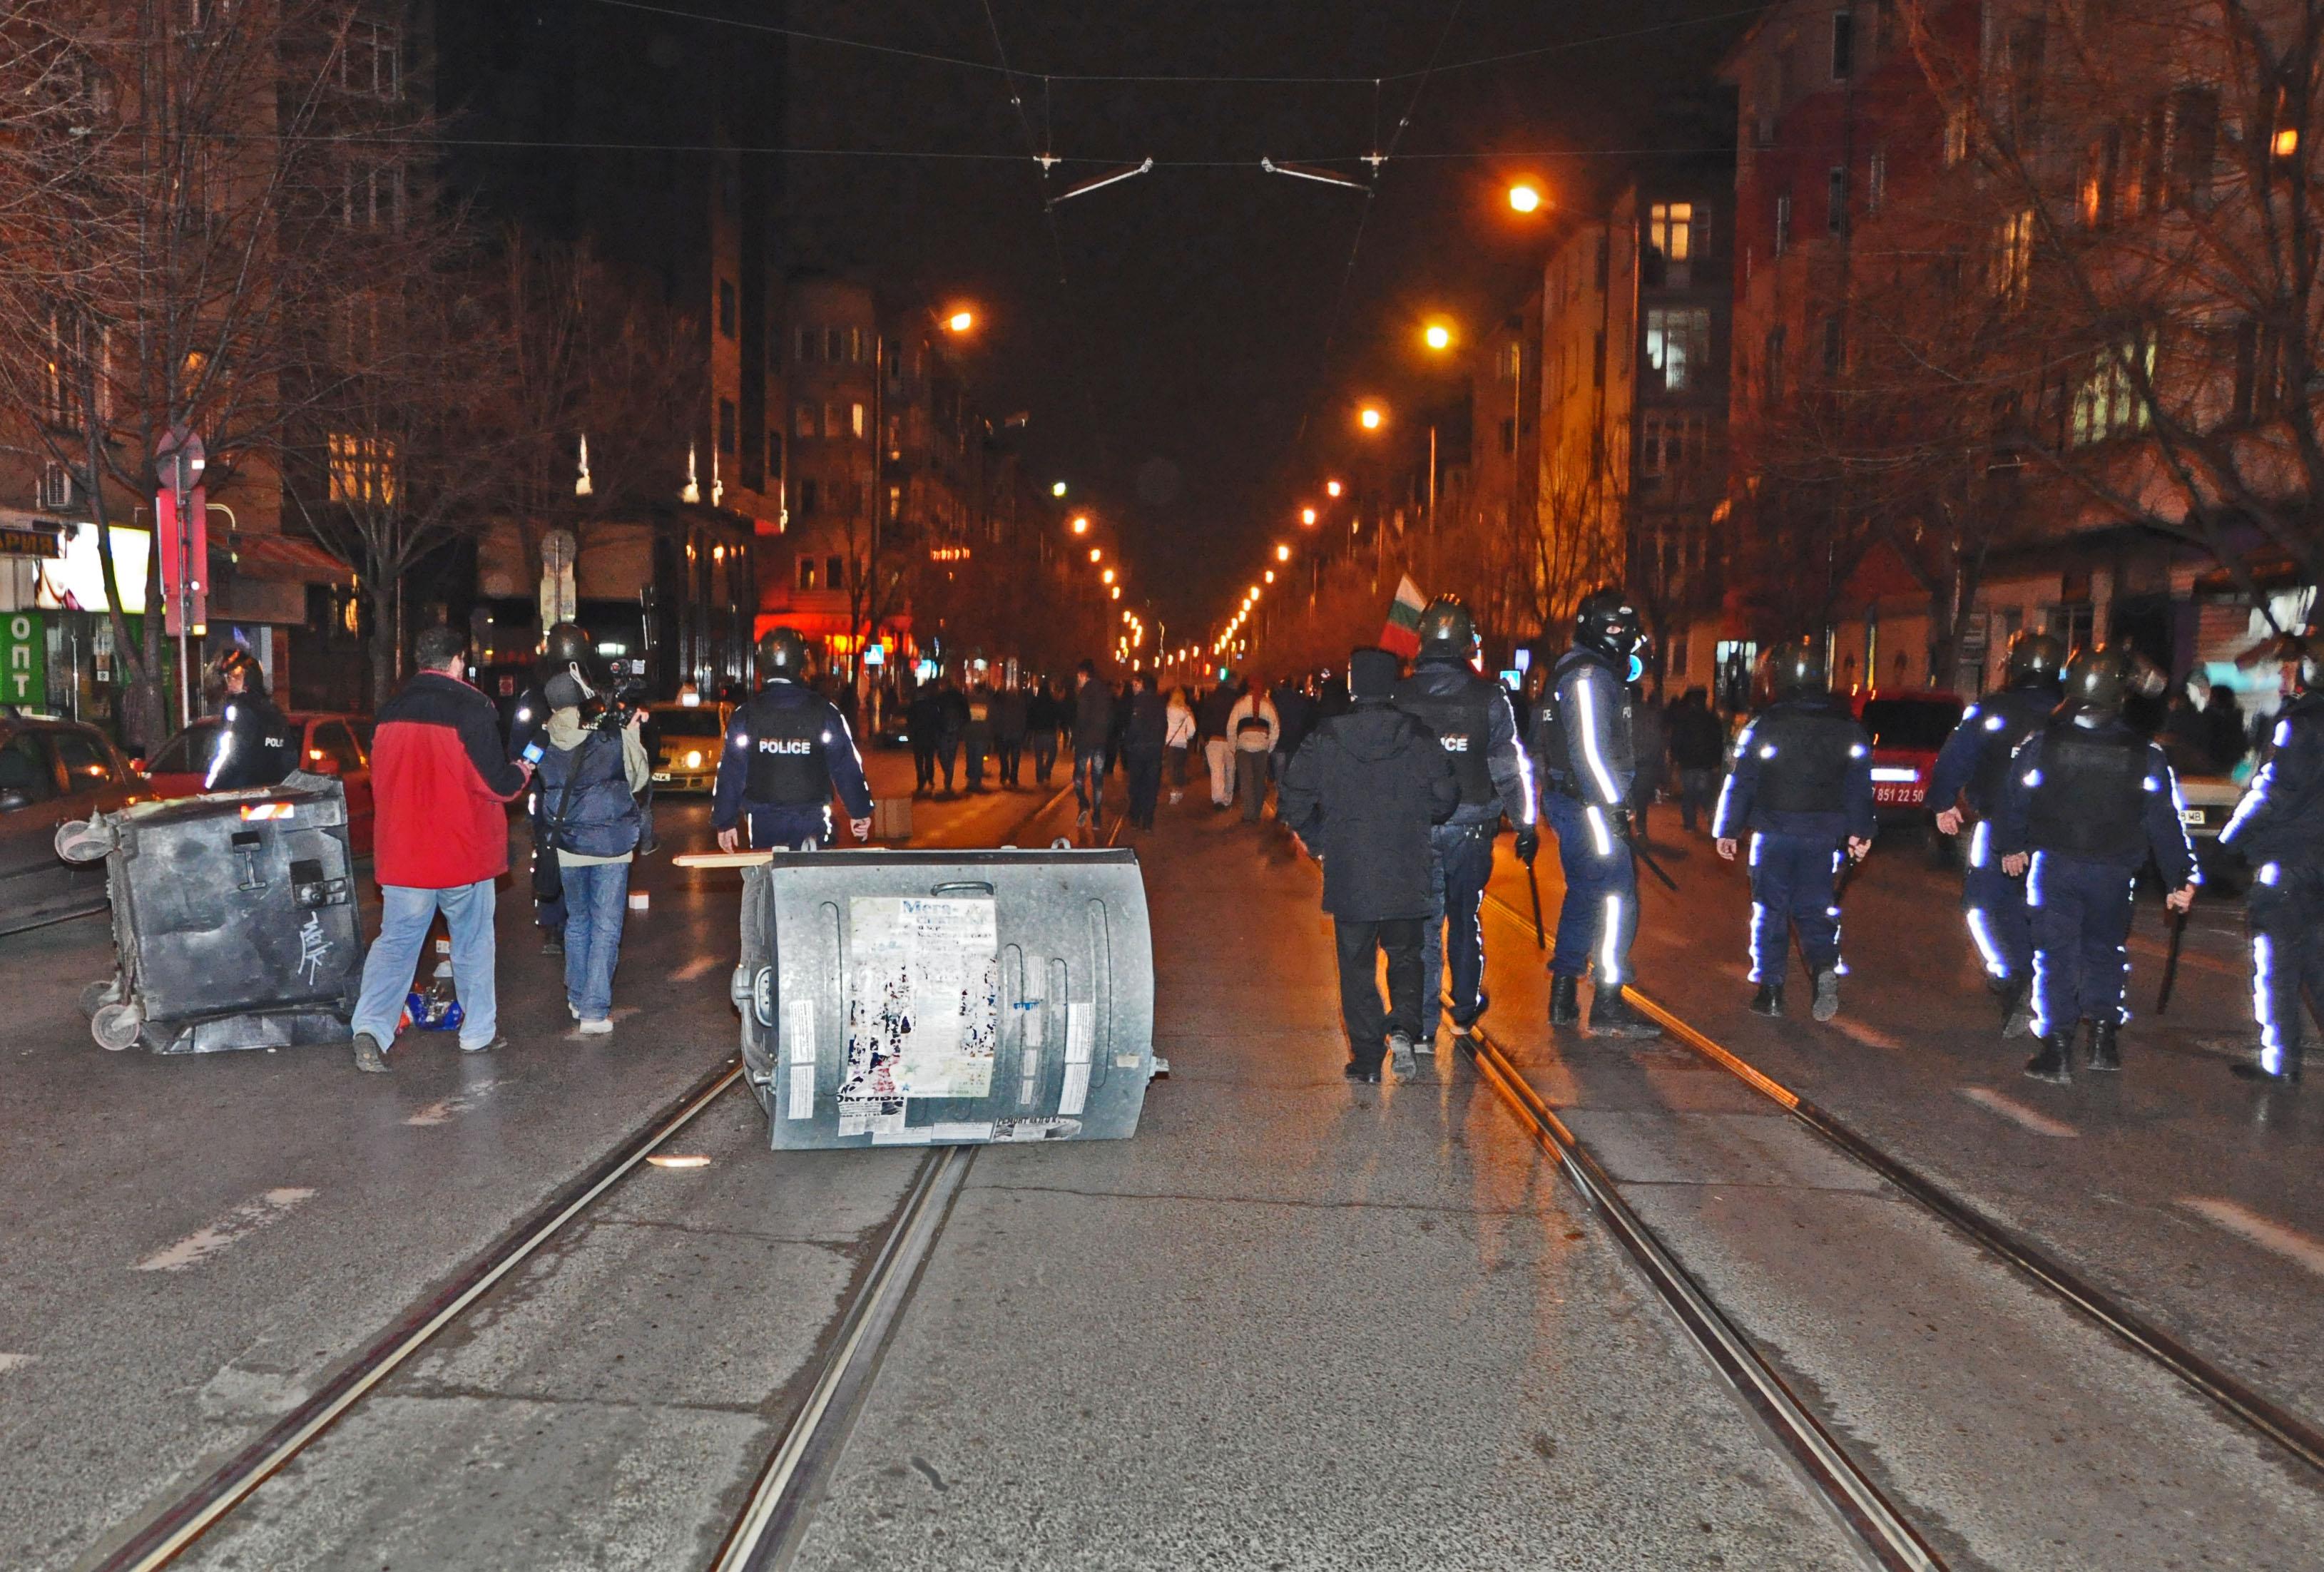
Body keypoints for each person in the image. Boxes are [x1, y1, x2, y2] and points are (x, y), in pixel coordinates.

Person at [1991, 645, 2199, 1083]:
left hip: (2057, 866)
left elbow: (2013, 800)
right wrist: (2180, 876)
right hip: (2115, 872)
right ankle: (2104, 1042)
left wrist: (2011, 846)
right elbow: (2163, 818)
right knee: (2105, 951)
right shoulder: (2146, 754)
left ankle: (2058, 1048)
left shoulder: (2043, 746)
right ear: (2120, 693)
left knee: (2056, 956)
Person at [350, 626, 534, 1073]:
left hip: (404, 855)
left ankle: (370, 1028)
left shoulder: (388, 712)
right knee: (470, 942)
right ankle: (477, 1034)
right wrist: (524, 768)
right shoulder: (472, 708)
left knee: (395, 943)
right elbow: (497, 785)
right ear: (457, 661)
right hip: (460, 854)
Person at [1279, 647, 1460, 1082]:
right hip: (1406, 865)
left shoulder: (1325, 738)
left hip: (1352, 868)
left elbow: (1293, 797)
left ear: (1353, 684)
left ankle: (1365, 1060)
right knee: (1406, 954)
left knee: (1356, 965)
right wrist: (1418, 817)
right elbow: (1445, 797)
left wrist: (1320, 840)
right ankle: (1402, 1024)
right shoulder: (1418, 736)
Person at [1392, 596, 1537, 1051]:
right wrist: (1526, 823)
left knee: (1424, 925)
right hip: (1472, 828)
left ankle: (1420, 1027)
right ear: (1465, 641)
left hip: (1415, 829)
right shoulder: (1489, 697)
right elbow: (1508, 769)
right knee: (1464, 915)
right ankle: (1463, 1008)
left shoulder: (1401, 697)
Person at [1713, 639, 1876, 1021]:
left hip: (1773, 833)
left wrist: (1729, 829)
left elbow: (1742, 780)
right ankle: (1822, 967)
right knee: (1815, 908)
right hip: (1823, 835)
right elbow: (1859, 784)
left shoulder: (1766, 725)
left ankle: (1770, 990)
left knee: (1770, 910)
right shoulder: (1847, 727)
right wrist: (1861, 831)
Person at [1531, 586, 1663, 1038]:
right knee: (1617, 896)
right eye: (1614, 627)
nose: (1622, 635)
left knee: (1585, 893)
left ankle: (1564, 995)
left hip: (1578, 801)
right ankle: (1607, 999)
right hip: (1589, 804)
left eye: (1625, 627)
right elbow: (1589, 751)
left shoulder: (1584, 671)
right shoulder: (1589, 676)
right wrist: (1611, 805)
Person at [1927, 630, 2066, 1034]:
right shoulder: (2071, 714)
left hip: (1996, 824)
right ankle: (2050, 987)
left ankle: (2011, 972)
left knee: (1983, 905)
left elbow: (1956, 757)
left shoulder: (1992, 710)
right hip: (2060, 836)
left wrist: (1943, 802)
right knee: (2050, 912)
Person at [2219, 622, 2324, 1083]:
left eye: (2288, 665)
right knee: (2317, 963)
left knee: (2278, 965)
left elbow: (2272, 792)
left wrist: (2231, 840)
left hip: (2289, 860)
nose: (2282, 674)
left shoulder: (2300, 726)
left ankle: (2281, 1064)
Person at [534, 672, 648, 1034]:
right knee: (606, 926)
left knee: (578, 921)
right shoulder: (609, 734)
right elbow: (639, 779)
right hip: (611, 846)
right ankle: (594, 1011)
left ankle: (578, 995)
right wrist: (632, 734)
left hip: (567, 846)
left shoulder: (543, 740)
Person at [712, 628, 874, 851]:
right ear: (801, 663)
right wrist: (859, 811)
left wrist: (725, 822)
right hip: (812, 817)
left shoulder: (746, 715)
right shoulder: (825, 712)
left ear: (763, 666)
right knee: (812, 879)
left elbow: (731, 772)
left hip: (763, 820)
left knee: (769, 877)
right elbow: (845, 764)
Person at [508, 623, 594, 954]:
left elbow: (521, 745)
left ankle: (555, 925)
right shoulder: (593, 695)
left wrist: (530, 764)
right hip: (588, 790)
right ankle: (580, 920)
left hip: (548, 790)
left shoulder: (535, 695)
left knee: (548, 851)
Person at [203, 647, 297, 791]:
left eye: (237, 676)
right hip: (270, 792)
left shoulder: (239, 710)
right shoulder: (273, 711)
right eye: (229, 677)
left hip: (240, 792)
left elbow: (229, 753)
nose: (231, 682)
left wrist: (212, 784)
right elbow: (289, 756)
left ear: (250, 677)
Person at [1667, 686, 1726, 834]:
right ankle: (1712, 819)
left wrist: (1675, 758)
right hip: (1705, 763)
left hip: (1688, 763)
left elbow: (1677, 739)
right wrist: (1717, 761)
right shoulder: (1712, 719)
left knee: (1689, 794)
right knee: (1705, 794)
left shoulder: (1685, 719)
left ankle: (1690, 824)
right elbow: (1718, 741)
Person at [1228, 678, 1280, 823]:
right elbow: (1275, 728)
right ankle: (1257, 814)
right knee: (1259, 782)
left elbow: (1231, 728)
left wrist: (1234, 747)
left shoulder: (1240, 705)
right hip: (1262, 747)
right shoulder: (1268, 705)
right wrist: (1269, 747)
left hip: (1244, 747)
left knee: (1246, 781)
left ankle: (1249, 815)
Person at [1123, 673, 1168, 830]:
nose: (1133, 688)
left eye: (1135, 685)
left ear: (1142, 684)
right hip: (1155, 749)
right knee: (1151, 785)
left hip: (1139, 749)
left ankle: (1135, 816)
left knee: (1136, 784)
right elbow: (1164, 726)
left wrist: (1128, 743)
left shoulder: (1138, 702)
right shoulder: (1160, 702)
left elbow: (1134, 726)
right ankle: (1148, 820)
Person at [1072, 660, 1114, 827]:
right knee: (1098, 780)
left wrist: (1076, 737)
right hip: (1101, 742)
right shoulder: (1105, 692)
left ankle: (1083, 803)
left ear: (1083, 675)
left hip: (1085, 742)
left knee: (1078, 777)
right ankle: (1097, 817)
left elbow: (1081, 719)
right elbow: (1111, 717)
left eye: (1078, 676)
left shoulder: (1085, 693)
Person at [1628, 686, 1668, 840]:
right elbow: (1658, 742)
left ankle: (1624, 831)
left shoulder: (1620, 712)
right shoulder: (1651, 715)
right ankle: (1641, 829)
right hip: (1645, 765)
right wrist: (1661, 770)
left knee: (1625, 798)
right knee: (1642, 801)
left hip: (1625, 765)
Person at [1198, 676, 1239, 808]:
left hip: (1214, 739)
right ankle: (1228, 798)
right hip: (1231, 740)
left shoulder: (1211, 699)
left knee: (1217, 771)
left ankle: (1218, 799)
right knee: (1230, 770)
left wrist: (1205, 737)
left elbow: (1204, 720)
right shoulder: (1236, 700)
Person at [932, 673, 968, 795]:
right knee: (950, 756)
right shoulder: (959, 697)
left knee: (943, 755)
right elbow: (966, 714)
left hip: (944, 730)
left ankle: (948, 776)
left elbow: (936, 715)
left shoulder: (941, 697)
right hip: (954, 730)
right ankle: (948, 779)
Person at [907, 678, 943, 796]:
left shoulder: (914, 706)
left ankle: (921, 782)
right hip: (929, 737)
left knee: (919, 761)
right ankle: (930, 779)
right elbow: (937, 721)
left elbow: (910, 722)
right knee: (929, 760)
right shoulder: (932, 706)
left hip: (919, 737)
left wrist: (911, 734)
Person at [993, 678, 1029, 787]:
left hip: (1004, 734)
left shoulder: (1002, 705)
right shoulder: (1021, 704)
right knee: (1015, 757)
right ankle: (1013, 778)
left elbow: (998, 719)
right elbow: (1024, 720)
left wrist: (997, 732)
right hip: (1016, 735)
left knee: (1004, 757)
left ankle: (1004, 775)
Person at [962, 677, 996, 792]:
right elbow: (991, 718)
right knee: (978, 757)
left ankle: (971, 780)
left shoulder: (969, 700)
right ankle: (977, 781)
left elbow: (964, 717)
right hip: (982, 734)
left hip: (970, 733)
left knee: (970, 756)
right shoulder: (987, 701)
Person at [1163, 685, 1196, 804]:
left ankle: (1173, 793)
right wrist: (1186, 737)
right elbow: (1192, 730)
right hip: (1182, 744)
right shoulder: (1186, 712)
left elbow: (1163, 727)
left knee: (1171, 768)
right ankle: (1179, 791)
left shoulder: (1167, 711)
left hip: (1170, 743)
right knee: (1180, 768)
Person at [1027, 678, 1062, 785]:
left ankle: (1039, 777)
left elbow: (1030, 717)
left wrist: (1031, 729)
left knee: (1039, 756)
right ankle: (1047, 771)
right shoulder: (1053, 703)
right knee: (1052, 753)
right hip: (1050, 732)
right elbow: (1058, 715)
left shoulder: (1035, 703)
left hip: (1038, 732)